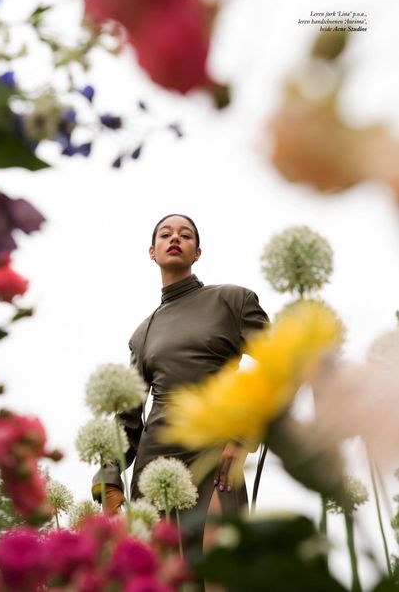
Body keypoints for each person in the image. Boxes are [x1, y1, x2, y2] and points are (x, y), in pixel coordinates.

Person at [92, 214, 269, 558]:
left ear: (197, 252)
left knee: (221, 573)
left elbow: (281, 365)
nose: (175, 238)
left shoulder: (233, 301)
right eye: (165, 234)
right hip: (153, 471)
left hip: (215, 458)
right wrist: (109, 480)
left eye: (185, 235)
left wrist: (244, 436)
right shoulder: (142, 334)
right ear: (152, 251)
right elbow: (128, 419)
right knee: (160, 579)